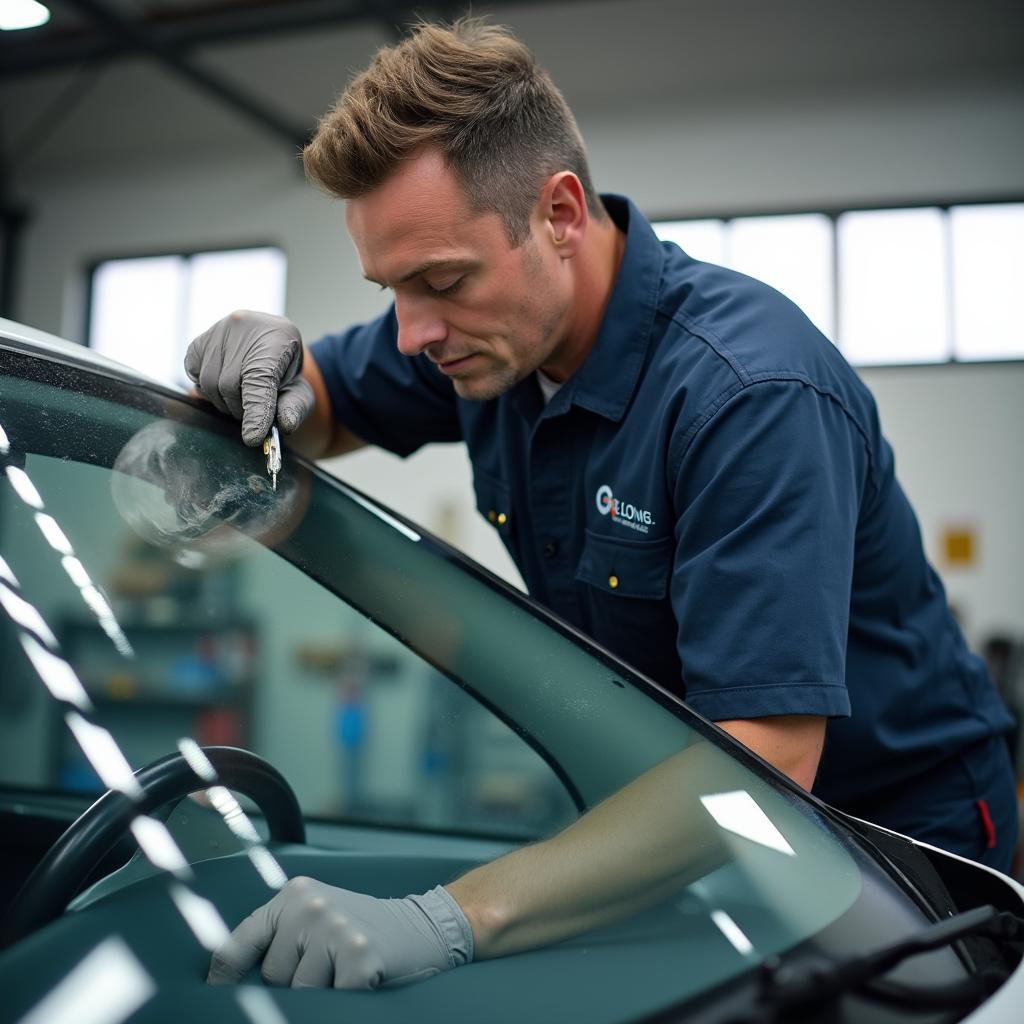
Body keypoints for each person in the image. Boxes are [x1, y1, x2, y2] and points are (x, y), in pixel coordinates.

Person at [189, 18, 1018, 989]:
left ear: (561, 214)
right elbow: (320, 404)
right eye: (389, 288)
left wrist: (450, 917)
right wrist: (253, 364)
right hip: (698, 826)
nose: (411, 332)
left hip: (897, 851)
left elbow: (767, 758)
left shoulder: (745, 395)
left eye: (440, 281)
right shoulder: (481, 337)